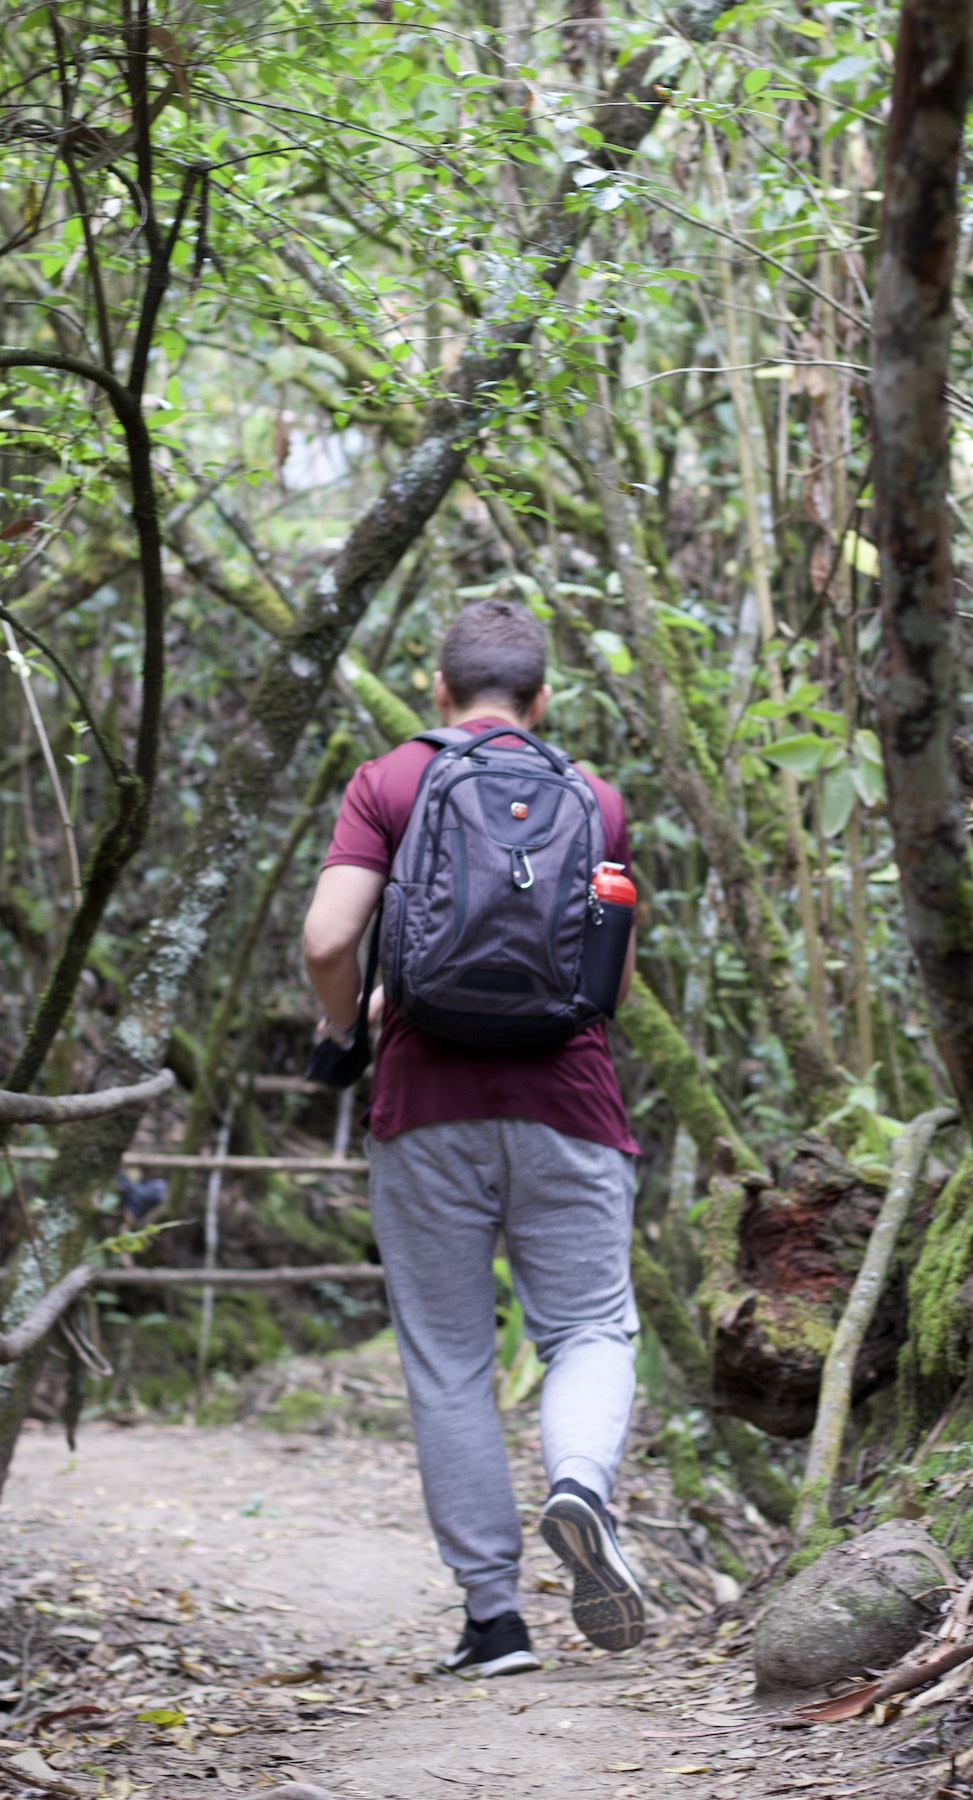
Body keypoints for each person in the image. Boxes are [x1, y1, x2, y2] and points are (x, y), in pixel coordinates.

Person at [302, 597, 644, 1677]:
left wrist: (340, 1026)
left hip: (424, 1104)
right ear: (542, 701)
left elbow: (327, 938)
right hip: (571, 1106)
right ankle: (580, 1482)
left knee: (449, 1362)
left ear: (439, 694)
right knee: (588, 1328)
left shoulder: (392, 779)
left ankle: (493, 1622)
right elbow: (613, 984)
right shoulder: (594, 798)